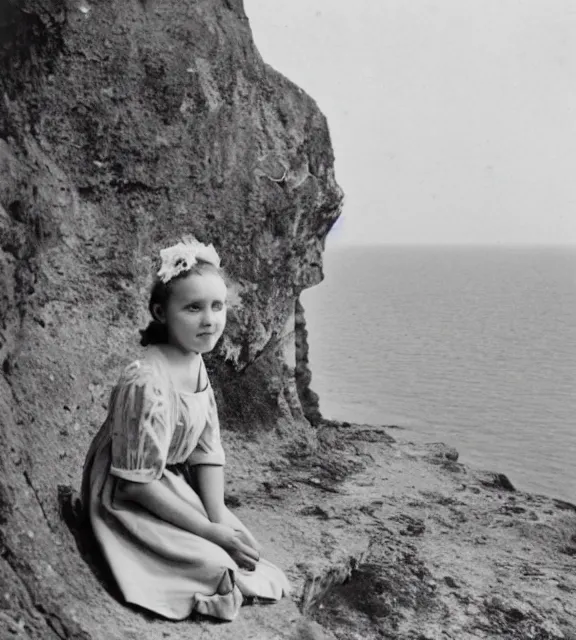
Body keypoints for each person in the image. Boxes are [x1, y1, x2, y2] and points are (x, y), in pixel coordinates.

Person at [81, 236, 290, 621]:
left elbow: (207, 450)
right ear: (162, 313)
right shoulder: (145, 381)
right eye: (193, 308)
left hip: (173, 483)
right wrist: (210, 533)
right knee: (216, 567)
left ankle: (208, 545)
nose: (209, 320)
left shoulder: (195, 363)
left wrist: (218, 515)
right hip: (129, 494)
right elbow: (135, 483)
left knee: (246, 555)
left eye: (217, 306)